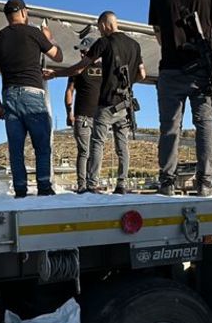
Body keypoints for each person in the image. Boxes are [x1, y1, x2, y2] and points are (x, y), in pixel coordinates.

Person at [148, 0, 212, 196]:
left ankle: (167, 183)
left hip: (170, 69)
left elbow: (159, 34)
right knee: (205, 126)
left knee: (170, 128)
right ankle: (204, 183)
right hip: (202, 70)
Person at [46, 11, 145, 194]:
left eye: (100, 28)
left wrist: (56, 74)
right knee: (122, 145)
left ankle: (91, 184)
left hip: (107, 103)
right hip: (126, 103)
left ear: (105, 25)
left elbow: (80, 67)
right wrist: (128, 84)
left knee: (97, 143)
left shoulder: (104, 42)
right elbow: (142, 74)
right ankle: (122, 184)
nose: (99, 32)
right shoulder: (135, 45)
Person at [0, 0, 64, 198]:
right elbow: (58, 56)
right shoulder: (34, 33)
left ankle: (20, 191)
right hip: (33, 95)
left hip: (9, 96)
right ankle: (44, 188)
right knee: (42, 145)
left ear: (7, 16)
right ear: (23, 12)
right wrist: (50, 37)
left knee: (16, 148)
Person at [64, 30, 103, 192]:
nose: (81, 53)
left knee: (96, 151)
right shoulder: (77, 70)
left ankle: (92, 184)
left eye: (84, 50)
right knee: (84, 151)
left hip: (101, 118)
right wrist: (69, 113)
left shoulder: (105, 69)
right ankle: (82, 186)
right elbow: (69, 91)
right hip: (82, 117)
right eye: (80, 51)